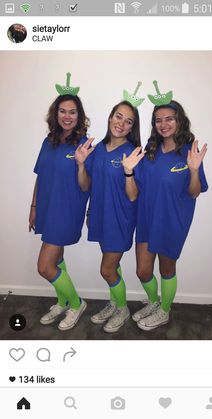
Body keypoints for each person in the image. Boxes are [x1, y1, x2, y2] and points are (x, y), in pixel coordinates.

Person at [128, 83, 208, 330]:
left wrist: (194, 171)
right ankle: (154, 301)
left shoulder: (189, 152)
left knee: (166, 267)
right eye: (158, 120)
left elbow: (194, 192)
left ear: (179, 121)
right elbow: (133, 195)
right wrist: (128, 172)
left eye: (169, 119)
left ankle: (164, 310)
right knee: (143, 271)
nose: (163, 124)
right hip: (147, 219)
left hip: (173, 220)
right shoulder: (149, 152)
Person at [76, 99, 145, 333]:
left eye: (128, 121)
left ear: (132, 127)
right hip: (100, 216)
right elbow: (86, 186)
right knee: (111, 267)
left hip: (121, 219)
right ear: (110, 117)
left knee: (106, 269)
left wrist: (128, 171)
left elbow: (134, 196)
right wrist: (81, 165)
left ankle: (123, 308)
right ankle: (115, 302)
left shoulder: (133, 153)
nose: (121, 123)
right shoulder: (97, 150)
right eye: (118, 116)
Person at [29, 77, 90, 331]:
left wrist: (80, 163)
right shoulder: (49, 141)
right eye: (62, 111)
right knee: (57, 259)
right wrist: (33, 208)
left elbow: (86, 186)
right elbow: (40, 176)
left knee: (45, 267)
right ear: (56, 114)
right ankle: (63, 300)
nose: (67, 116)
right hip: (46, 207)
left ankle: (76, 303)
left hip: (67, 210)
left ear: (79, 116)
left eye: (72, 112)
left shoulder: (84, 144)